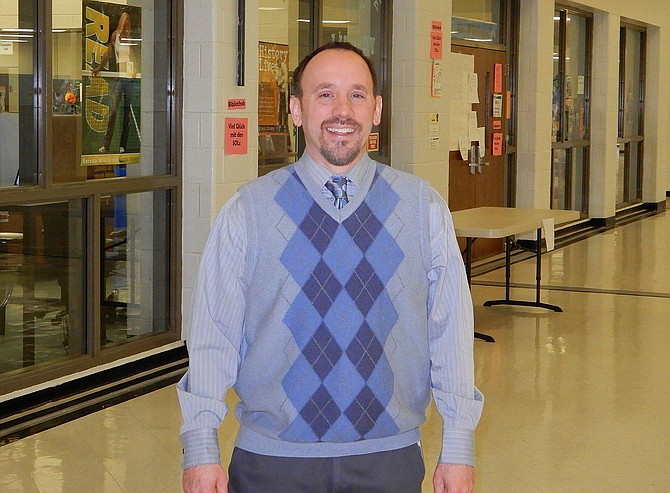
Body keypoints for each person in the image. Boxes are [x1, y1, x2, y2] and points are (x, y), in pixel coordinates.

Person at [177, 41, 484, 493]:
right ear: (297, 110)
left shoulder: (422, 208)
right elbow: (213, 336)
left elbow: (451, 332)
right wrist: (201, 446)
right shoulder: (249, 211)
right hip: (271, 462)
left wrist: (458, 444)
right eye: (324, 94)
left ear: (376, 110)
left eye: (357, 95)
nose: (342, 110)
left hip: (388, 459)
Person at [92, 11, 136, 154]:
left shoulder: (130, 38)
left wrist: (135, 68)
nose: (127, 24)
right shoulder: (116, 36)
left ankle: (123, 145)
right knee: (114, 111)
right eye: (125, 21)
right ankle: (107, 144)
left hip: (129, 77)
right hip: (120, 76)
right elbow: (108, 52)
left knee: (127, 112)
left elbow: (134, 56)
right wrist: (99, 67)